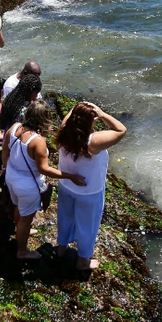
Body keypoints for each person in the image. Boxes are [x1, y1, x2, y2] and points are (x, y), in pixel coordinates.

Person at [2, 99, 85, 260]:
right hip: (27, 185)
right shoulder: (38, 141)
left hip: (11, 175)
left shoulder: (14, 127)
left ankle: (19, 229)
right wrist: (70, 176)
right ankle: (22, 251)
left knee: (19, 206)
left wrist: (7, 169)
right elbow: (44, 169)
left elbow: (5, 150)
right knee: (27, 218)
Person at [55, 102, 128, 271]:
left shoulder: (64, 132)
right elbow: (121, 130)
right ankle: (82, 261)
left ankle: (61, 248)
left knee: (65, 217)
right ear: (91, 122)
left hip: (66, 186)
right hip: (89, 192)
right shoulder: (93, 142)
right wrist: (102, 114)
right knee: (87, 225)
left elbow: (67, 120)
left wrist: (76, 108)